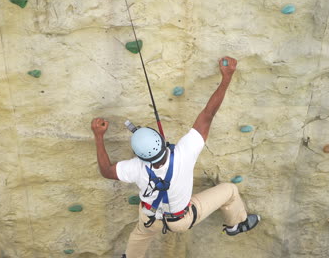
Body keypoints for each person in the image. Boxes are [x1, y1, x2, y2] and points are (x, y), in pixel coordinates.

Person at [91, 57, 260, 258]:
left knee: (140, 235)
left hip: (149, 218)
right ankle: (236, 224)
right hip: (181, 220)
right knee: (230, 190)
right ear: (161, 141)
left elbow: (106, 171)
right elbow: (208, 114)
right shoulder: (184, 153)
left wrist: (98, 136)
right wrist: (226, 78)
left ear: (140, 155)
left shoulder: (136, 167)